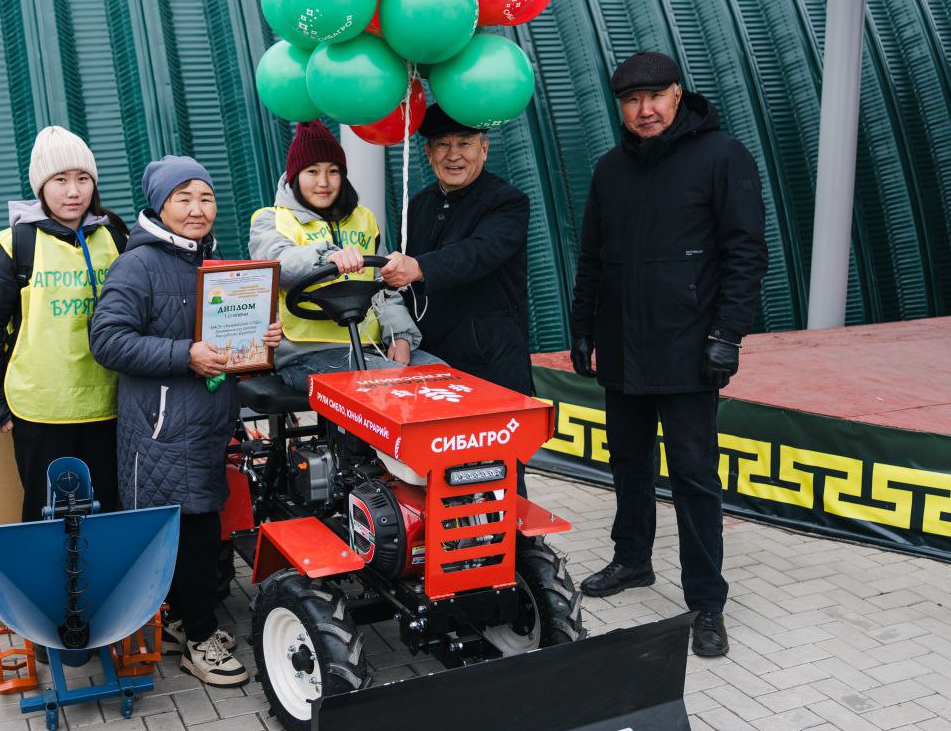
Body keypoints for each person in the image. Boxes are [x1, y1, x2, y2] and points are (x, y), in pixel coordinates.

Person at [569, 51, 768, 658]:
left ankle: (706, 601)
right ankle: (632, 560)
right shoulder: (609, 170)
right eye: (631, 101)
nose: (644, 110)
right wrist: (582, 328)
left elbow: (745, 253)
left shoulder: (722, 157)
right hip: (624, 351)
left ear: (678, 96)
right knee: (627, 462)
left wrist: (727, 335)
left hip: (689, 352)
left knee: (693, 477)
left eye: (655, 97)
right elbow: (592, 258)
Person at [89, 156, 282, 687]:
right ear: (159, 204)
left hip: (206, 422)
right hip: (162, 428)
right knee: (190, 532)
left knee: (199, 527)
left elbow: (225, 336)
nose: (198, 210)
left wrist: (260, 340)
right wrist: (185, 354)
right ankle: (199, 637)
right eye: (184, 198)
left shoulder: (211, 258)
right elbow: (107, 340)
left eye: (206, 198)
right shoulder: (139, 264)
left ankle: (180, 622)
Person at [0, 125, 127, 522]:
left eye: (82, 179)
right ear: (41, 186)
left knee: (109, 509)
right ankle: (54, 586)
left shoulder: (117, 236)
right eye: (60, 180)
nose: (73, 191)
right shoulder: (12, 246)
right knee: (48, 513)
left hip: (110, 404)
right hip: (41, 408)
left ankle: (104, 584)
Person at [380, 104, 534, 494]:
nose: (454, 154)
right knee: (443, 472)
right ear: (428, 154)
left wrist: (417, 267)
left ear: (484, 148)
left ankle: (519, 551)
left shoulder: (507, 201)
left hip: (492, 362)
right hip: (435, 362)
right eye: (442, 145)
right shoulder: (419, 204)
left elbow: (479, 253)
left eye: (464, 143)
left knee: (500, 472)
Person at [249, 120, 437, 391]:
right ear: (294, 175)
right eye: (312, 171)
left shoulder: (364, 219)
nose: (323, 182)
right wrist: (327, 257)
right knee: (397, 387)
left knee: (445, 378)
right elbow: (280, 264)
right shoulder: (271, 220)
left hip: (371, 347)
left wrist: (399, 336)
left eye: (333, 171)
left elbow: (385, 287)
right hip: (306, 355)